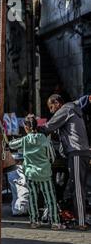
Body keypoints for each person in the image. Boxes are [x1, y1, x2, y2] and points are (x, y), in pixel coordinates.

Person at [39, 94, 90, 231]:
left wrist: (35, 127)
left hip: (76, 152)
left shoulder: (65, 109)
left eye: (51, 107)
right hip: (82, 152)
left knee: (78, 189)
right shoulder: (74, 109)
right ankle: (80, 219)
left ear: (57, 103)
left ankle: (81, 222)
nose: (51, 111)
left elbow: (48, 126)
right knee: (78, 187)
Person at [9, 115, 65, 230]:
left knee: (33, 199)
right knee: (50, 198)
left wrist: (7, 141)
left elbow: (11, 145)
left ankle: (34, 221)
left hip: (30, 174)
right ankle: (55, 222)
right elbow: (52, 157)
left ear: (26, 127)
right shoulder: (44, 139)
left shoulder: (24, 140)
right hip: (45, 174)